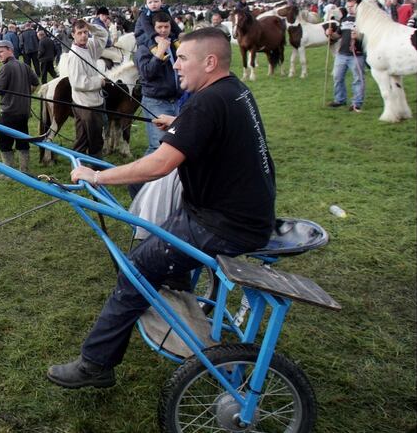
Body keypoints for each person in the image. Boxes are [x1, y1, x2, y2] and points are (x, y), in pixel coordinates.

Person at [47, 27, 276, 389]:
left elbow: (159, 165)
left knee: (135, 267)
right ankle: (173, 278)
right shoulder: (234, 91)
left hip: (223, 224)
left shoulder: (206, 103)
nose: (176, 65)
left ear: (210, 61)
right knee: (159, 242)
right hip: (238, 214)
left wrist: (97, 176)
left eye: (183, 58)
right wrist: (181, 124)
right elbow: (211, 129)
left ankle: (96, 364)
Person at [134, 11, 184, 155]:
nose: (163, 31)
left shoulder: (175, 46)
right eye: (159, 27)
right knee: (158, 146)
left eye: (166, 27)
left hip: (176, 100)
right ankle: (143, 176)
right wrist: (158, 54)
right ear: (153, 29)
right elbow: (146, 74)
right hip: (155, 101)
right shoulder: (144, 48)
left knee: (174, 143)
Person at [58, 19, 107, 159]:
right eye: (80, 33)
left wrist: (91, 27)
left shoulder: (90, 46)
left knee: (82, 141)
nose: (84, 36)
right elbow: (78, 83)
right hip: (87, 106)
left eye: (85, 32)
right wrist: (100, 82)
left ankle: (78, 171)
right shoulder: (74, 56)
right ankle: (96, 172)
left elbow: (103, 35)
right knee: (95, 142)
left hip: (91, 103)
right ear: (73, 35)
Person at [0, 40, 39, 173]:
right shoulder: (24, 65)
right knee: (22, 140)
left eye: (1, 51)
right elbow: (36, 82)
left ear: (10, 50)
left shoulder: (5, 68)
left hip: (8, 112)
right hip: (23, 112)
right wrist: (26, 94)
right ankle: (24, 170)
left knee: (4, 142)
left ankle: (9, 172)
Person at [327, 0, 367, 113]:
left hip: (357, 54)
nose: (349, 8)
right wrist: (330, 33)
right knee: (337, 77)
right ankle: (340, 99)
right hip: (342, 54)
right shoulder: (344, 20)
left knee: (358, 79)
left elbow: (369, 37)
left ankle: (357, 103)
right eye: (348, 6)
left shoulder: (363, 20)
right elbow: (338, 35)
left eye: (352, 6)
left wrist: (358, 36)